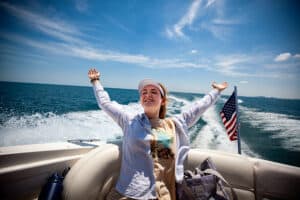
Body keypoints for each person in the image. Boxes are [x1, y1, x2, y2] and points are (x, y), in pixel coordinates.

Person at [88, 68, 228, 200]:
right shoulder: (129, 121)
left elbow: (198, 108)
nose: (148, 95)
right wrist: (95, 81)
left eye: (154, 92)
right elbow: (105, 103)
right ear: (141, 99)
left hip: (162, 194)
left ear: (163, 101)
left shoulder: (171, 125)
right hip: (128, 193)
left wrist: (216, 91)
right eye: (144, 92)